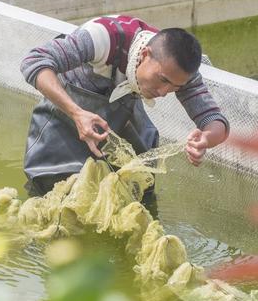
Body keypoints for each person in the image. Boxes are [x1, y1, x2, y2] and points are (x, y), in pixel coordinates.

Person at [20, 15, 229, 196]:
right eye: (163, 80)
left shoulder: (179, 70)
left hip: (121, 109)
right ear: (145, 55)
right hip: (68, 112)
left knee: (140, 184)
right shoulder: (103, 37)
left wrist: (206, 139)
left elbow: (215, 121)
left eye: (176, 87)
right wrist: (76, 113)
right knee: (51, 188)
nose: (165, 93)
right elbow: (34, 61)